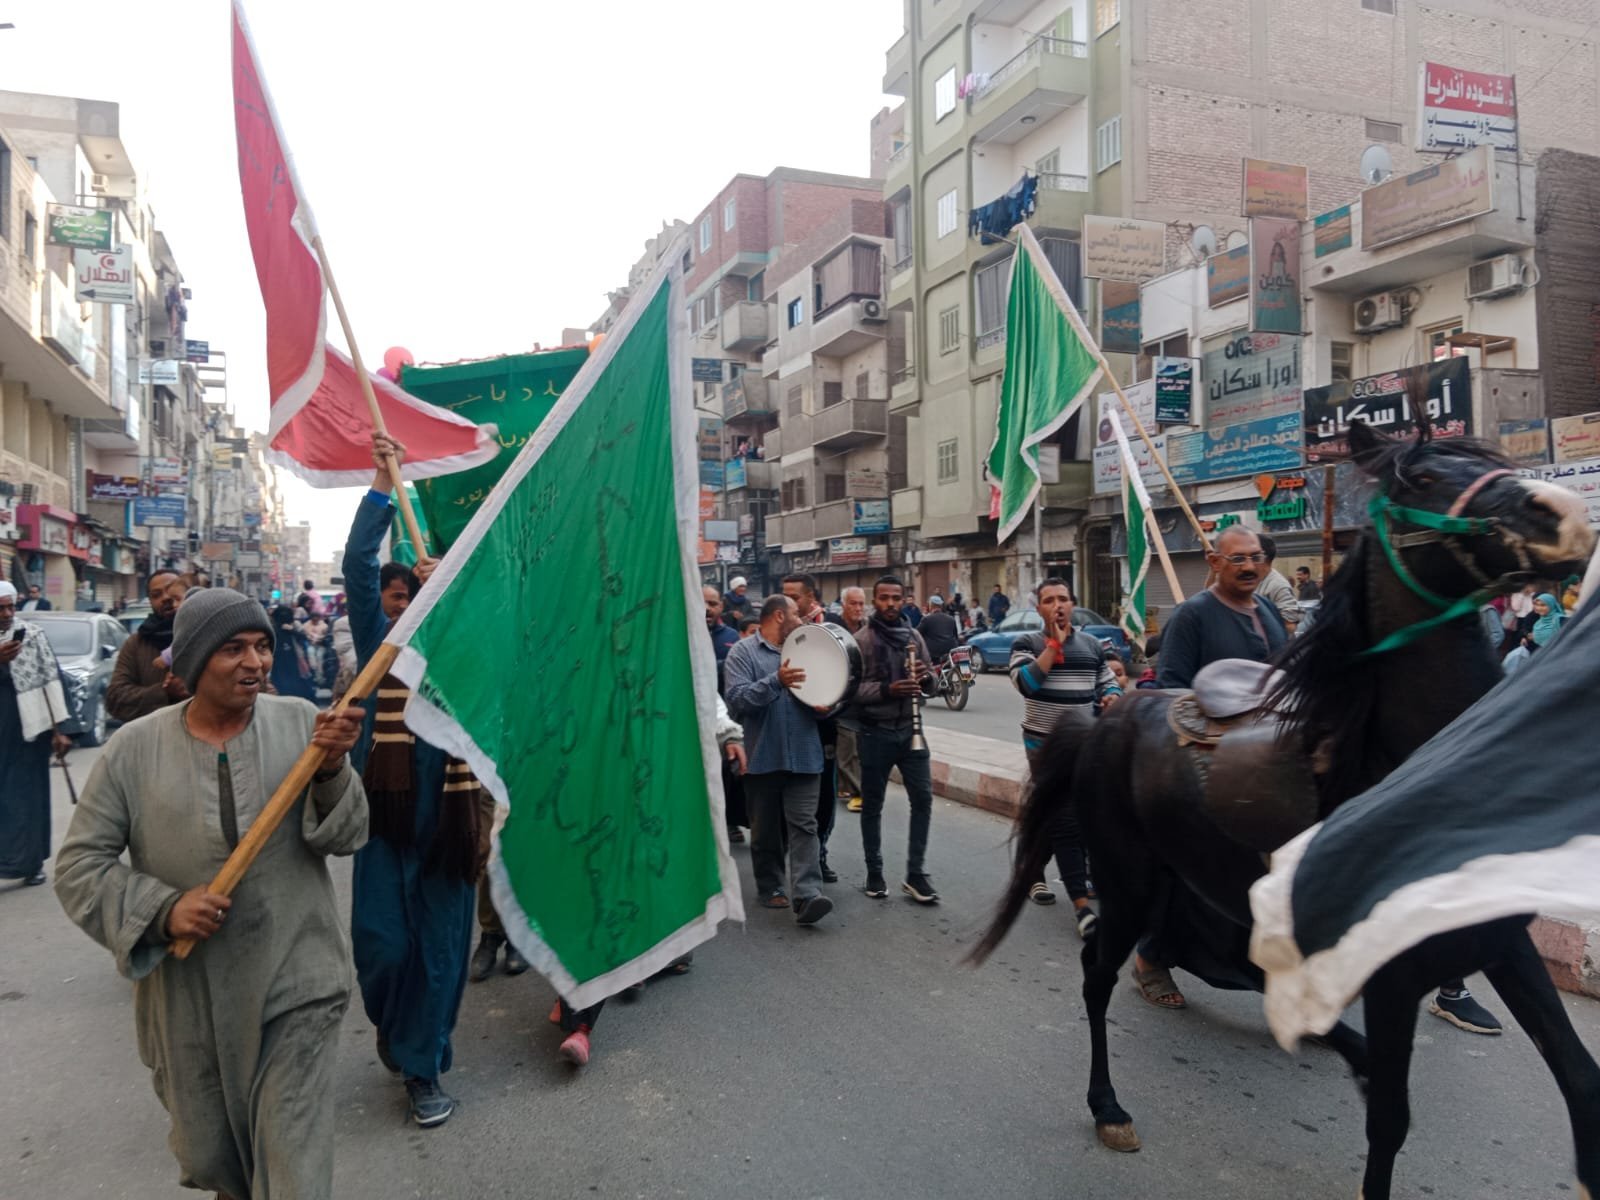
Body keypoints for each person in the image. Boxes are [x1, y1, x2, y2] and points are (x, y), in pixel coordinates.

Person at [54, 587, 367, 1200]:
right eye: (233, 649)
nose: (254, 663)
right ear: (196, 661)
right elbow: (79, 867)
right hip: (189, 994)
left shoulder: (305, 725)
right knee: (218, 1161)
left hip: (296, 975)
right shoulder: (131, 750)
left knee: (292, 1161)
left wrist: (331, 770)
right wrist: (165, 910)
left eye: (261, 647)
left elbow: (350, 833)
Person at [344, 433, 494, 1128]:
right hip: (385, 822)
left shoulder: (466, 654)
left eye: (422, 594)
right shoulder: (383, 651)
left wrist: (455, 591)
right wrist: (381, 484)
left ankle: (424, 1068)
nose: (409, 606)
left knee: (437, 956)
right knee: (382, 945)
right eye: (401, 596)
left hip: (451, 825)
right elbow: (355, 567)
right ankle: (389, 1023)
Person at [1142, 526, 1290, 1010]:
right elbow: (1171, 692)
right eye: (1237, 559)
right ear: (1214, 561)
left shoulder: (1267, 610)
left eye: (1255, 558)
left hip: (1264, 769)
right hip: (1209, 767)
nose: (1249, 566)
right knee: (1200, 879)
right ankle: (1151, 958)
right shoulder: (1192, 615)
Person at [1008, 578, 1121, 930]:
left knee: (1071, 816)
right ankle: (1082, 906)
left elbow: (1107, 680)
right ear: (1039, 608)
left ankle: (1033, 870)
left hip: (1085, 745)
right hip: (1043, 747)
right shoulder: (1026, 642)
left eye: (1063, 599)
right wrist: (1052, 647)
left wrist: (1112, 695)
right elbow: (1026, 684)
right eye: (1049, 600)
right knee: (1065, 819)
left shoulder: (1090, 645)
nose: (1057, 605)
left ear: (1072, 603)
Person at [723, 595, 834, 925]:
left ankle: (807, 895)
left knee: (805, 825)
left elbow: (822, 690)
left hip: (804, 753)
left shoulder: (805, 650)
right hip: (762, 755)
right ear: (777, 616)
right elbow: (737, 700)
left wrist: (825, 705)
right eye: (796, 615)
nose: (801, 621)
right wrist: (776, 681)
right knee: (766, 829)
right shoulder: (742, 653)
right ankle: (770, 885)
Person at [849, 576, 939, 903]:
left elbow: (932, 678)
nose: (890, 604)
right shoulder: (862, 640)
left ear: (904, 600)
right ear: (875, 601)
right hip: (875, 732)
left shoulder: (914, 635)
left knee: (924, 800)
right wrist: (888, 690)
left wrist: (926, 678)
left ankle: (916, 873)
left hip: (911, 731)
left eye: (896, 598)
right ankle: (874, 871)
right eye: (884, 598)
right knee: (873, 805)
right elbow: (850, 690)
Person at [0, 581, 73, 885]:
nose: (6, 613)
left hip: (29, 731)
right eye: (0, 608)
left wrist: (62, 730)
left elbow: (53, 678)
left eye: (10, 606)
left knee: (28, 797)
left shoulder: (32, 635)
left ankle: (29, 864)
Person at [781, 572, 839, 883]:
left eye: (795, 597)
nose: (788, 602)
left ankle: (819, 854)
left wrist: (831, 706)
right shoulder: (771, 635)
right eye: (784, 595)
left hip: (820, 732)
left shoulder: (828, 632)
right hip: (781, 735)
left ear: (810, 599)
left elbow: (847, 682)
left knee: (823, 800)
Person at [106, 571, 189, 722]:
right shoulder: (136, 644)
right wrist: (165, 692)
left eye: (172, 591)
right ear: (150, 602)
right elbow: (115, 700)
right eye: (157, 595)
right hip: (153, 740)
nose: (166, 598)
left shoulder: (207, 636)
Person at [705, 585, 748, 845]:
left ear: (721, 606)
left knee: (726, 777)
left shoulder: (731, 636)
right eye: (703, 603)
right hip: (693, 726)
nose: (707, 609)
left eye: (712, 603)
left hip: (725, 719)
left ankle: (729, 822)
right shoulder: (681, 637)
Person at [836, 587, 868, 813]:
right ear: (843, 605)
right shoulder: (834, 628)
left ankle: (847, 787)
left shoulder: (867, 629)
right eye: (853, 603)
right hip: (840, 702)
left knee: (858, 750)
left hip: (863, 701)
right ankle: (859, 793)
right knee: (847, 752)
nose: (857, 608)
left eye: (860, 604)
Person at [1254, 534, 1304, 633]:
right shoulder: (1250, 580)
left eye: (1251, 554)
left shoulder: (1278, 586)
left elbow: (1290, 626)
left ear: (1261, 556)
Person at [269, 604, 316, 702]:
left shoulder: (295, 625)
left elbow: (304, 637)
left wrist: (291, 630)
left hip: (296, 658)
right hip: (279, 659)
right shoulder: (272, 628)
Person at [918, 596, 961, 665]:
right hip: (950, 651)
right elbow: (955, 636)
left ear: (930, 605)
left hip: (934, 654)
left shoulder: (926, 619)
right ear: (941, 606)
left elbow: (917, 635)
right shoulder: (951, 619)